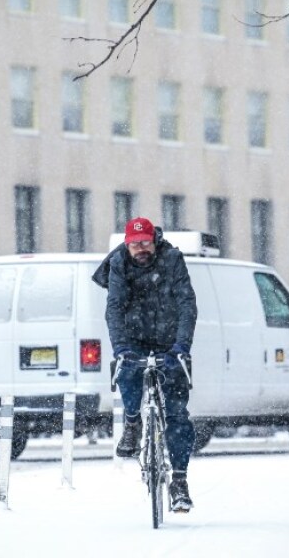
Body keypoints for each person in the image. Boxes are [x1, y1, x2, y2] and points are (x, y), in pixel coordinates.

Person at [92, 217, 198, 512]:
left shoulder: (173, 259)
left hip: (170, 341)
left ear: (155, 241)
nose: (140, 248)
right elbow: (113, 308)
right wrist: (121, 348)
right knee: (126, 371)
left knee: (177, 414)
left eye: (145, 242)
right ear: (127, 244)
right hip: (134, 338)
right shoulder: (119, 264)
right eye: (134, 244)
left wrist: (181, 347)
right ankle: (132, 421)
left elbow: (187, 303)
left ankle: (179, 480)